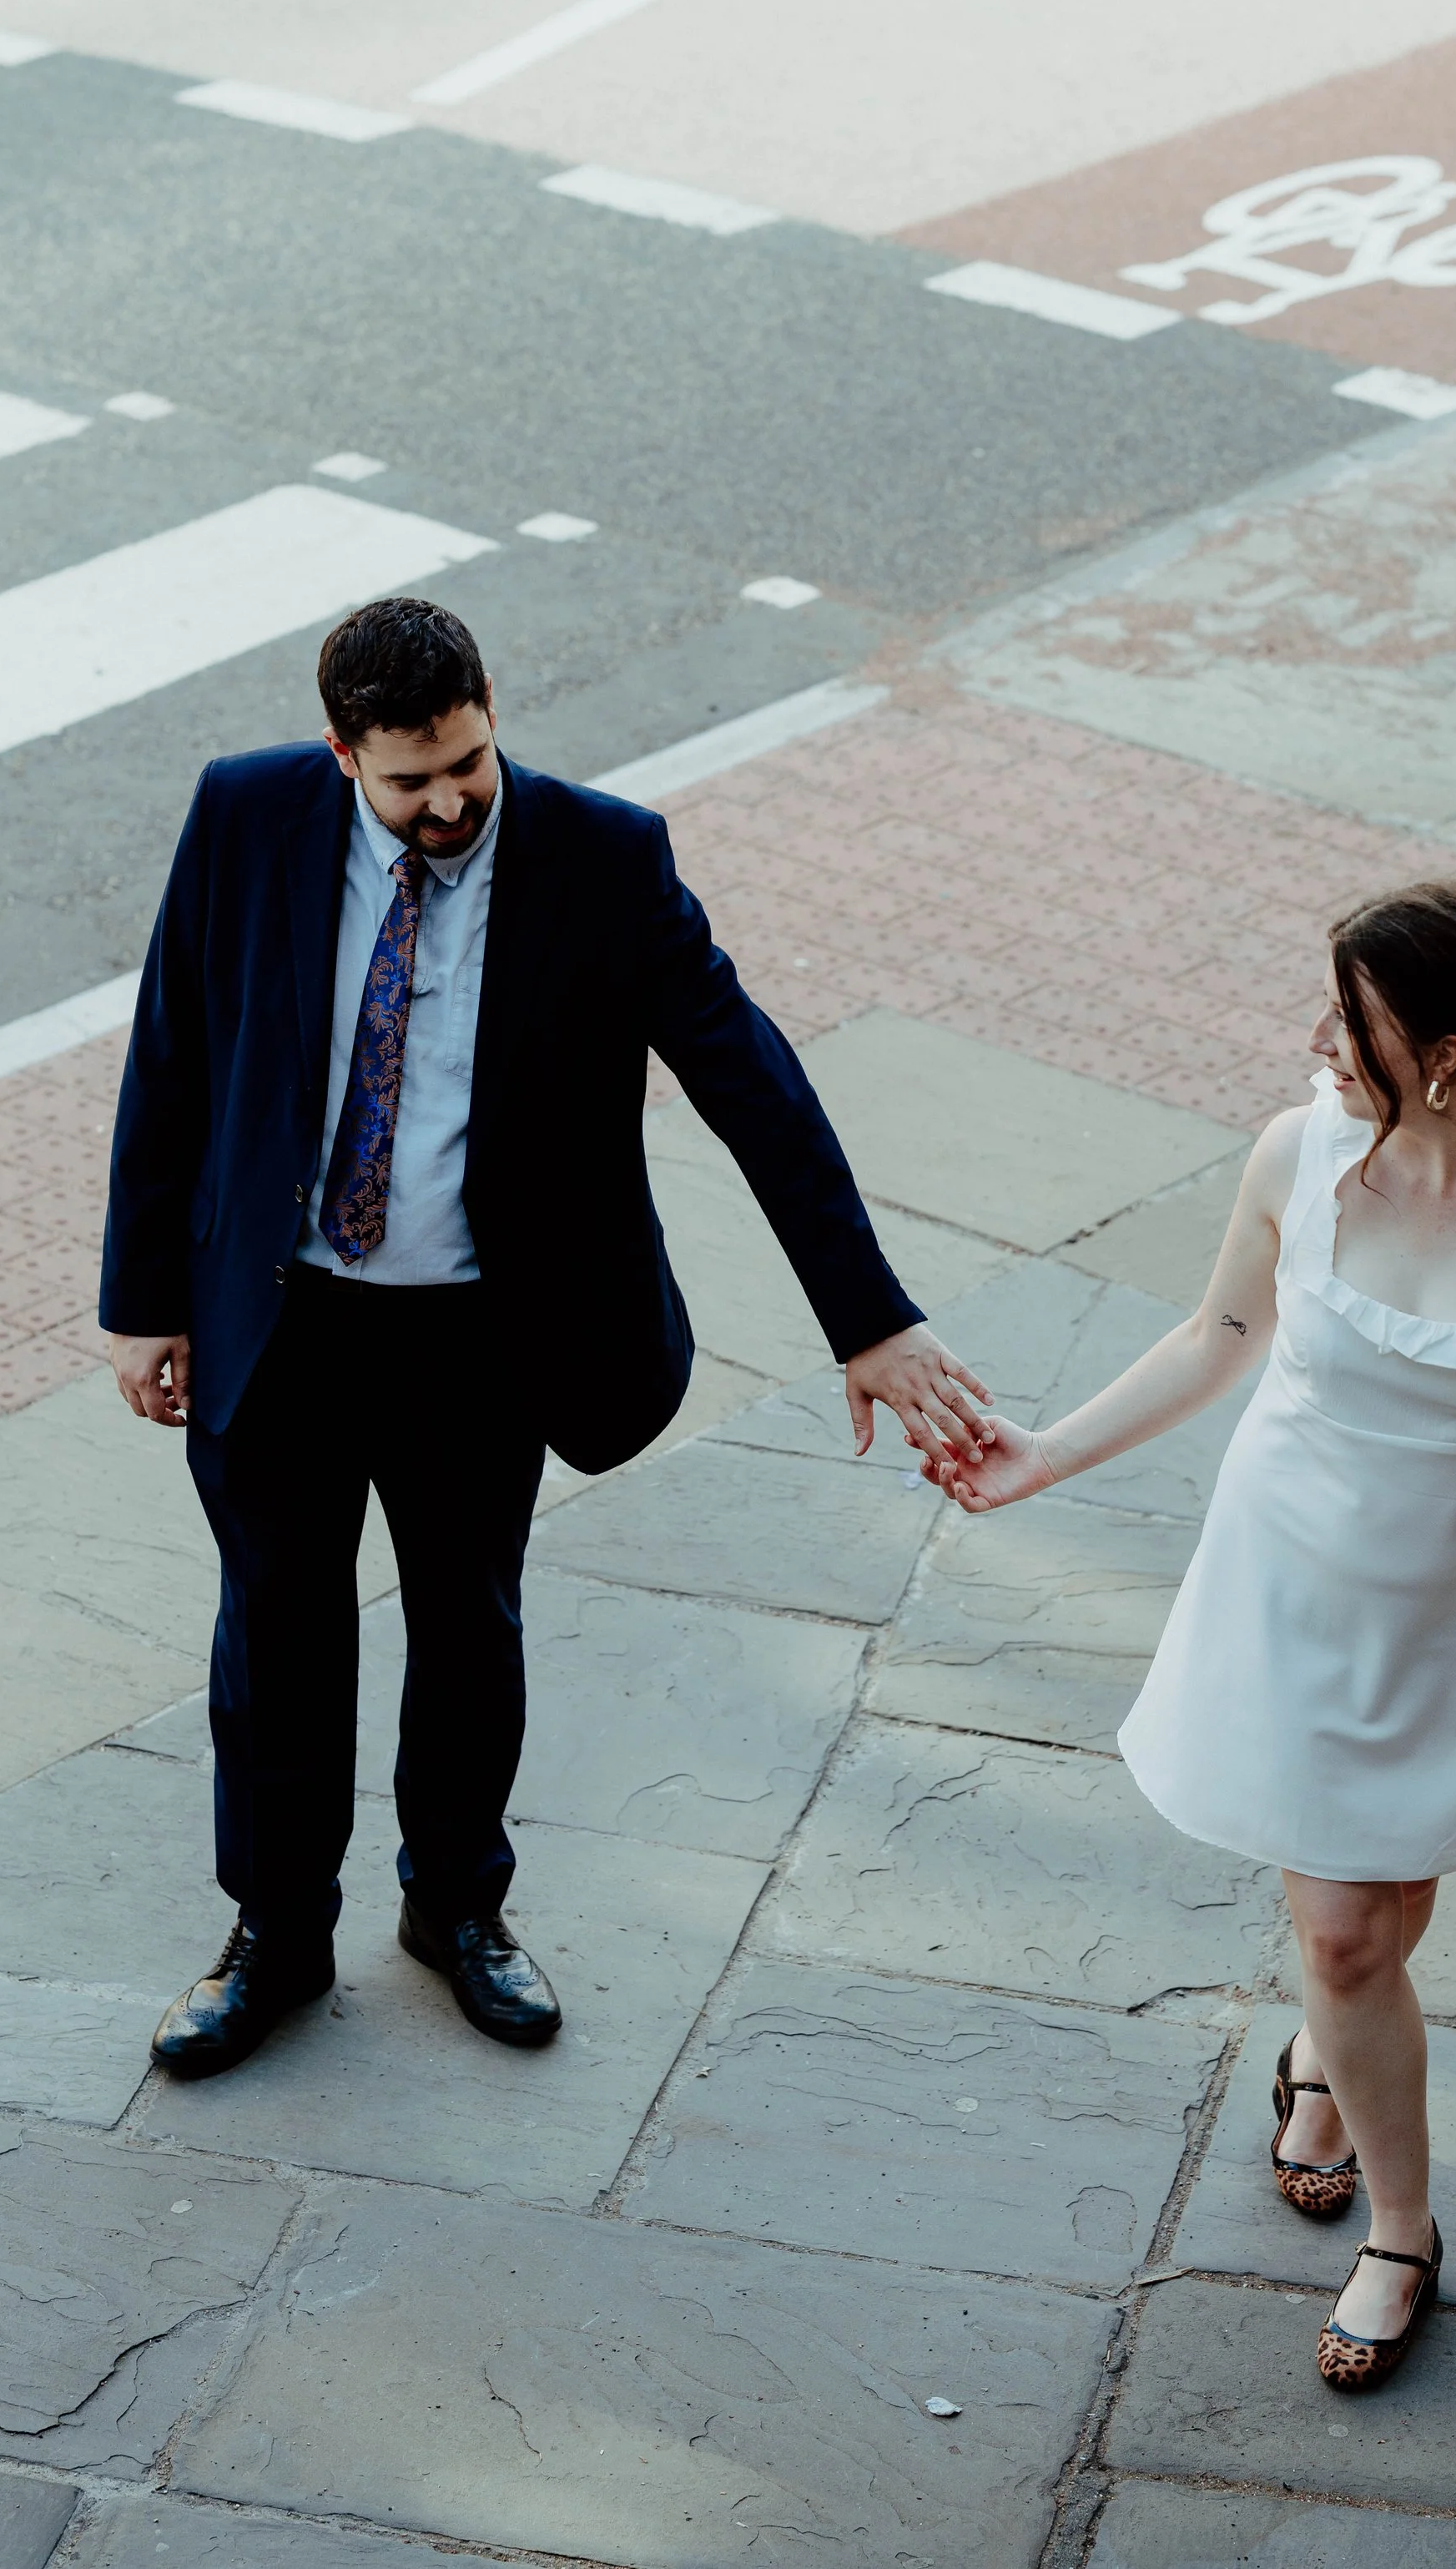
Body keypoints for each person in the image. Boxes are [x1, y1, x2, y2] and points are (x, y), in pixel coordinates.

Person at [102, 595, 989, 2082]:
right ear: (341, 755)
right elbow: (174, 1044)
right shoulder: (245, 812)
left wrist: (870, 1316)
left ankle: (456, 1909)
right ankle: (273, 1933)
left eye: (468, 759)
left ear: (491, 707)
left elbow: (752, 1081)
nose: (450, 800)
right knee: (276, 1631)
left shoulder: (602, 857)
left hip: (477, 1334)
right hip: (282, 1316)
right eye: (411, 779)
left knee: (467, 1626)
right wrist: (142, 1294)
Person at [925, 882, 1456, 2390]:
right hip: (1287, 1588)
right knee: (1346, 1927)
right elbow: (1221, 1335)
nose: (1320, 1042)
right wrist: (1043, 1453)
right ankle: (1403, 2235)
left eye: (1354, 1021)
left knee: (1388, 1911)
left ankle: (1323, 2059)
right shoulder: (1299, 1145)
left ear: (1448, 1050)